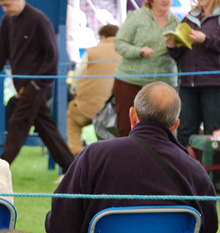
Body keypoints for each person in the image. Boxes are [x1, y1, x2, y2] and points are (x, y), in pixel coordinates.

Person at [45, 82, 218, 233]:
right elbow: (206, 232)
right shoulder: (193, 170)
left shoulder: (94, 156)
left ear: (132, 116)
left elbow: (59, 226)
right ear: (175, 125)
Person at [0, 0, 74, 173]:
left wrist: (36, 84)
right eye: (2, 5)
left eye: (6, 5)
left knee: (17, 125)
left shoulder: (39, 20)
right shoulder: (8, 21)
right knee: (46, 129)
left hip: (36, 86)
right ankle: (73, 169)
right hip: (23, 86)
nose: (4, 9)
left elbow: (52, 57)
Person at [113, 0, 179, 137]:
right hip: (130, 81)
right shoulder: (136, 17)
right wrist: (139, 51)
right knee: (126, 128)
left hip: (163, 84)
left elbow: (182, 54)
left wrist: (174, 47)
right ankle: (125, 157)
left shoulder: (177, 23)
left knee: (163, 129)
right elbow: (119, 43)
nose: (166, 1)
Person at [166, 0, 220, 148]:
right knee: (184, 133)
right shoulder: (189, 17)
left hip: (214, 84)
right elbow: (180, 54)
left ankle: (211, 171)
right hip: (188, 83)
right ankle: (183, 169)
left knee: (214, 133)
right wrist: (172, 47)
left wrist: (206, 39)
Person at [67, 24, 120, 155]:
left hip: (88, 108)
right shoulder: (125, 52)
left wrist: (75, 91)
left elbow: (77, 76)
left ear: (102, 37)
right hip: (117, 111)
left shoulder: (92, 52)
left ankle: (76, 153)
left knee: (72, 119)